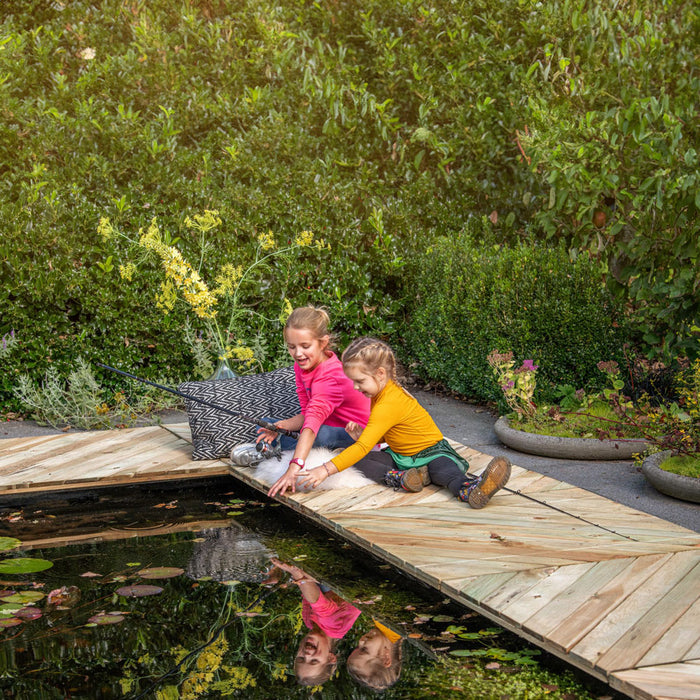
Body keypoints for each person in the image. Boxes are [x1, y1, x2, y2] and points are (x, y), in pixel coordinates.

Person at [297, 337, 512, 508]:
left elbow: (363, 447)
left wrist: (323, 471)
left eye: (359, 381)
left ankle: (471, 488)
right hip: (402, 457)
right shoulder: (378, 394)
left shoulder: (389, 402)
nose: (355, 387)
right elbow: (385, 435)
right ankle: (402, 478)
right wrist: (363, 434)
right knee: (350, 455)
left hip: (431, 452)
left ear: (380, 374)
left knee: (443, 472)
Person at [231, 306, 370, 497]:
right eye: (292, 346)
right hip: (326, 423)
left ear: (323, 343)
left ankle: (273, 451)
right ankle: (274, 446)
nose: (298, 353)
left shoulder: (329, 377)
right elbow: (307, 413)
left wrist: (293, 469)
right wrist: (281, 425)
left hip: (357, 433)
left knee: (318, 435)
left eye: (305, 346)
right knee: (268, 422)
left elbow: (311, 426)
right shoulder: (302, 367)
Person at [265, 557, 361, 686]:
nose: (307, 654)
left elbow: (308, 592)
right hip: (352, 571)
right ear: (330, 658)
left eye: (301, 658)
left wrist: (283, 578)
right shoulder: (335, 627)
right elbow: (318, 602)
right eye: (314, 661)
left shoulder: (309, 623)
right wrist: (296, 573)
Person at [347, 619, 403, 690]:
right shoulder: (389, 623)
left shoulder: (390, 629)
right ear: (386, 658)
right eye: (364, 649)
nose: (360, 641)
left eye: (357, 647)